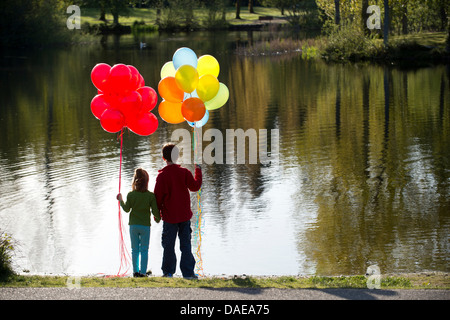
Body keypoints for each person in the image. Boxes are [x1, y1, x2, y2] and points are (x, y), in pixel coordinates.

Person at [154, 143, 202, 279]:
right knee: (185, 245)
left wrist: (156, 214)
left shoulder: (162, 176)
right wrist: (198, 171)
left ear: (164, 158)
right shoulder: (184, 173)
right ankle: (188, 273)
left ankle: (168, 272)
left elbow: (157, 198)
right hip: (184, 217)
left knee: (168, 246)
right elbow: (195, 186)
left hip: (169, 218)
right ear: (177, 156)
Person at [117, 168, 160, 277]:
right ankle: (143, 272)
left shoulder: (131, 195)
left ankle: (135, 272)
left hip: (133, 226)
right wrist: (158, 218)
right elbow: (155, 212)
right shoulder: (150, 196)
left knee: (134, 249)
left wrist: (121, 200)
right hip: (145, 226)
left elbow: (126, 209)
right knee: (144, 250)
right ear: (147, 182)